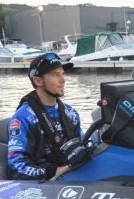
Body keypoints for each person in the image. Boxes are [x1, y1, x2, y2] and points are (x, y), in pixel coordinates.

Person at [7, 52, 85, 180]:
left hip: (71, 177)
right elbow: (17, 166)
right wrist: (55, 172)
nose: (63, 80)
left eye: (62, 74)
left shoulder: (70, 112)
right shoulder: (22, 118)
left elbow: (83, 145)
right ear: (38, 81)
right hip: (43, 185)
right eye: (55, 75)